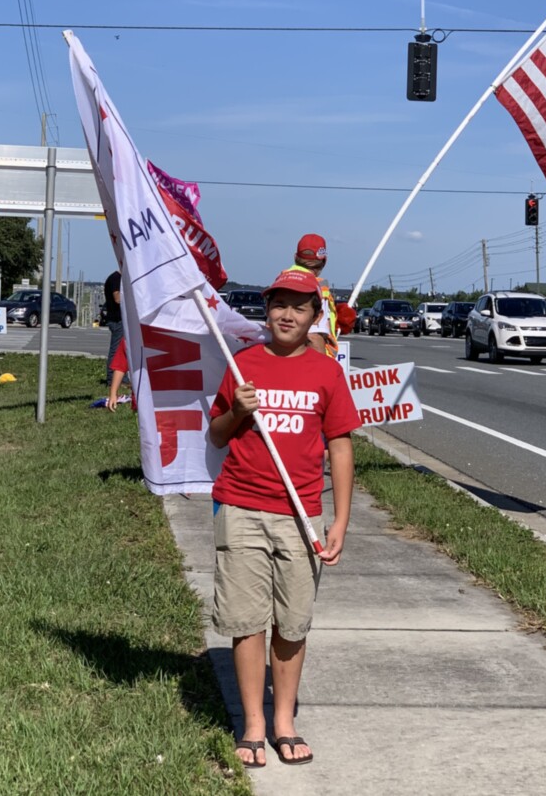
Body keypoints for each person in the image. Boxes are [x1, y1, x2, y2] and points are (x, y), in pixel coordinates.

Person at [208, 268, 361, 768]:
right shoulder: (243, 364)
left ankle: (284, 721)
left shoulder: (327, 373)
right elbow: (216, 434)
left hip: (300, 516)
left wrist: (339, 521)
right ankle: (253, 724)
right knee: (247, 622)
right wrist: (239, 412)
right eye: (279, 304)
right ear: (266, 309)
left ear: (316, 316)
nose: (287, 314)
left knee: (292, 625)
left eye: (299, 306)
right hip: (242, 507)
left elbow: (340, 446)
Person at [286, 233, 355, 356]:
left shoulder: (283, 281)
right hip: (310, 365)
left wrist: (335, 322)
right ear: (324, 261)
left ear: (295, 258)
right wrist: (323, 369)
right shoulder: (317, 288)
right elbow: (314, 336)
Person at [104, 269, 126, 386]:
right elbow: (117, 298)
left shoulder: (118, 278)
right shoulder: (116, 278)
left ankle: (121, 377)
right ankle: (112, 378)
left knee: (122, 350)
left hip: (120, 319)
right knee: (116, 350)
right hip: (117, 320)